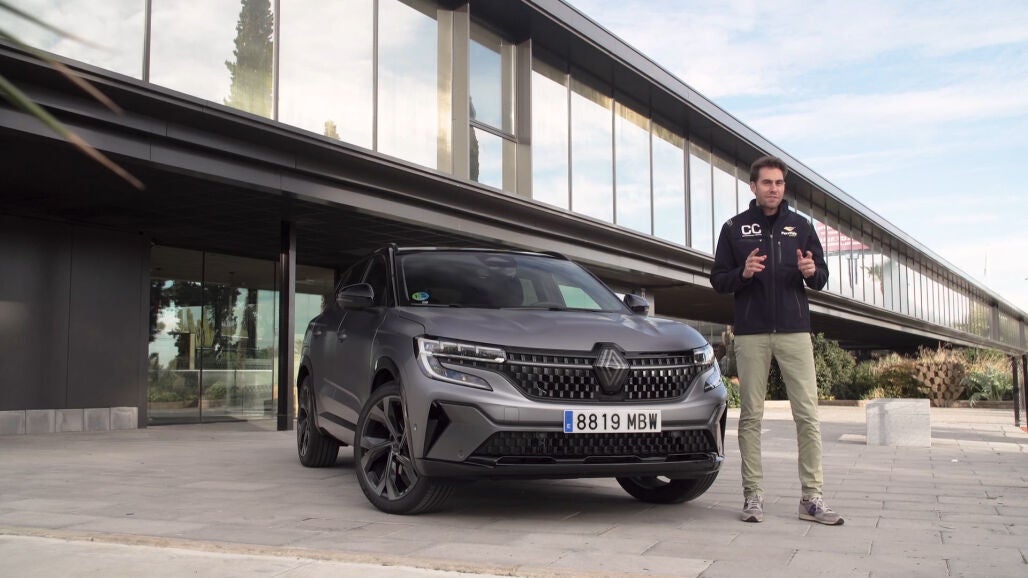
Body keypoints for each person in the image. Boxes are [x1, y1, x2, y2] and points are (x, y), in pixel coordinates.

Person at [709, 155, 843, 526]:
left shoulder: (800, 226)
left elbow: (820, 277)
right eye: (767, 182)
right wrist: (743, 273)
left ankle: (812, 498)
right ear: (753, 186)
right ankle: (753, 496)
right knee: (751, 415)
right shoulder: (734, 228)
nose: (774, 189)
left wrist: (811, 270)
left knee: (808, 415)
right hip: (751, 332)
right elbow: (718, 279)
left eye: (779, 183)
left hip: (794, 331)